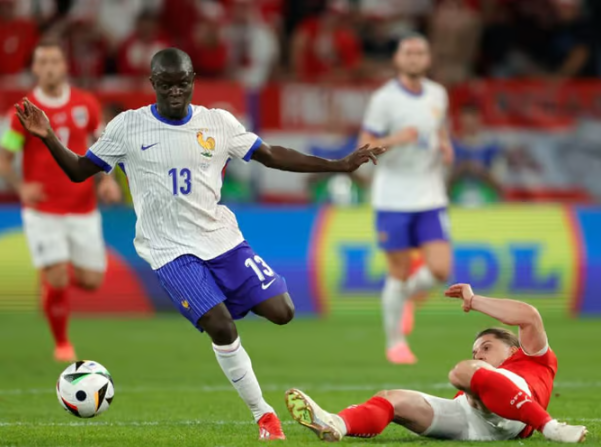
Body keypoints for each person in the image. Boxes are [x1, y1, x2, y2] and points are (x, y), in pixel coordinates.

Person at [12, 47, 385, 441]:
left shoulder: (218, 122)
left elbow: (272, 155)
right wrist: (48, 136)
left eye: (182, 83)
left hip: (221, 239)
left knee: (283, 311)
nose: (175, 91)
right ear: (153, 83)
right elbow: (78, 170)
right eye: (166, 84)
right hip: (169, 249)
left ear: (192, 81)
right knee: (220, 325)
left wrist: (338, 165)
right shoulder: (128, 127)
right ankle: (264, 416)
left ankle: (220, 304)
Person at [285, 283, 588, 443]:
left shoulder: (533, 360)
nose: (479, 354)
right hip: (470, 418)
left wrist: (473, 300)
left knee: (462, 371)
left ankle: (551, 427)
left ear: (512, 350)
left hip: (516, 417)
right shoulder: (476, 378)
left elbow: (529, 316)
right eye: (475, 351)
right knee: (392, 399)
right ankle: (336, 423)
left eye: (486, 347)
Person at [0, 41, 121, 363]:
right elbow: (4, 158)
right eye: (43, 62)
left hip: (82, 207)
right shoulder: (23, 112)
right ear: (35, 69)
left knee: (91, 280)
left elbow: (103, 147)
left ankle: (52, 280)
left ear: (65, 66)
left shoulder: (87, 104)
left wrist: (107, 181)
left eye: (55, 61)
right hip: (43, 209)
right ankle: (62, 343)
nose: (50, 67)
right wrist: (21, 186)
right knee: (56, 276)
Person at [358, 34, 453, 364]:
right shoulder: (384, 99)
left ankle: (406, 297)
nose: (414, 58)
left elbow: (439, 127)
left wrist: (445, 144)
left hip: (430, 194)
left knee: (440, 269)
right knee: (397, 271)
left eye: (420, 52)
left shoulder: (438, 93)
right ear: (397, 59)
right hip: (393, 197)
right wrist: (397, 139)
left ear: (428, 59)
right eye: (408, 52)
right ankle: (396, 343)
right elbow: (364, 146)